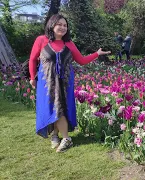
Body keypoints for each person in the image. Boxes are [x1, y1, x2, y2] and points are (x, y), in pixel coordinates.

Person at [29, 14, 111, 153]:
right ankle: (55, 135)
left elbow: (82, 60)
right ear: (52, 24)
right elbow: (32, 59)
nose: (62, 27)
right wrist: (32, 77)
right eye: (59, 24)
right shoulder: (41, 40)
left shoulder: (69, 44)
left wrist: (97, 53)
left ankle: (66, 138)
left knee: (60, 108)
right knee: (51, 107)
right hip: (46, 82)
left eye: (65, 25)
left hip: (65, 82)